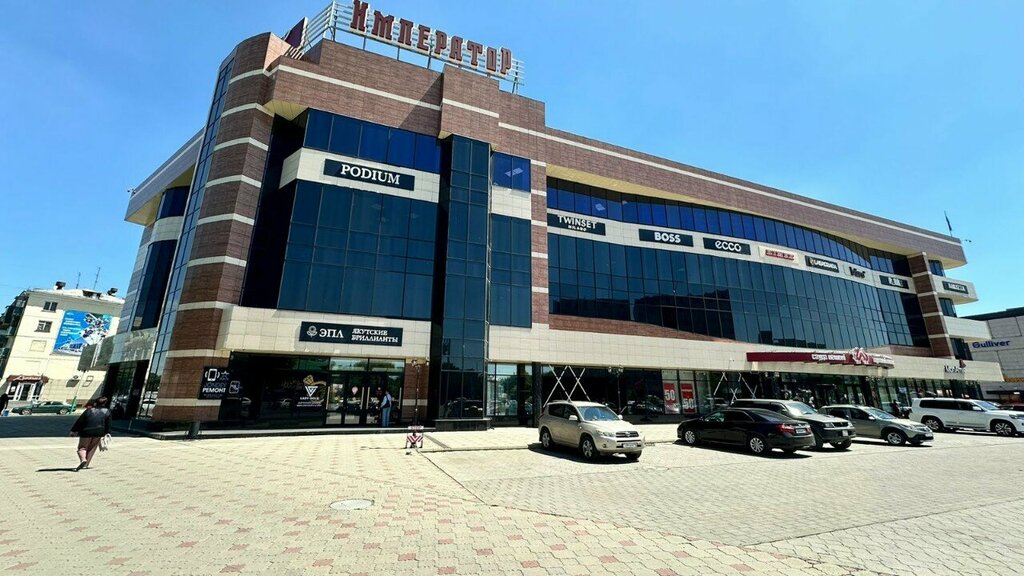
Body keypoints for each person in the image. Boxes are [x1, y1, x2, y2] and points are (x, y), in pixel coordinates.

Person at [69, 397, 111, 471]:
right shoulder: (107, 411)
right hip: (99, 432)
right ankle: (86, 464)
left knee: (82, 447)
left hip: (86, 431)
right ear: (104, 403)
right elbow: (108, 423)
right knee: (92, 448)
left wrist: (73, 430)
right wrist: (107, 433)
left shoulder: (89, 410)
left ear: (95, 403)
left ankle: (83, 459)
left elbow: (80, 421)